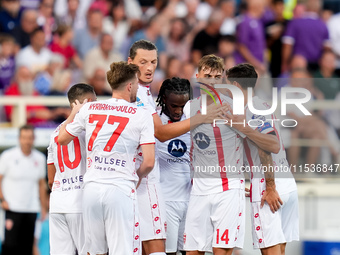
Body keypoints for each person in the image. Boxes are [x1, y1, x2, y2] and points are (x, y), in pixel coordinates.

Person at [127, 40, 225, 255]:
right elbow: (160, 134)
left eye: (153, 62)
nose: (150, 67)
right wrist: (201, 118)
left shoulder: (189, 110)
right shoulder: (143, 99)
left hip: (190, 196)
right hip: (157, 193)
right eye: (143, 62)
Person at [58, 61, 155, 255]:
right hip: (120, 187)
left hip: (92, 189)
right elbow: (149, 162)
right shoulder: (142, 114)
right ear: (129, 86)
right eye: (136, 83)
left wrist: (73, 114)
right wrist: (136, 177)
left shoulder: (90, 109)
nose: (137, 87)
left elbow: (62, 139)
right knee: (122, 250)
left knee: (95, 251)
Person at [225, 63, 299, 255]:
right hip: (287, 181)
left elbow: (269, 146)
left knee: (270, 251)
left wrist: (270, 186)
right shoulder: (263, 104)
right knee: (280, 250)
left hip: (269, 186)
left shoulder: (250, 112)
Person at [183, 54, 245, 255]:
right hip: (199, 190)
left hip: (227, 189)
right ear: (197, 76)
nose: (211, 81)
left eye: (216, 77)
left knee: (222, 251)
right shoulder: (189, 107)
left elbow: (252, 142)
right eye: (207, 76)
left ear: (223, 79)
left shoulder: (235, 106)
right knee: (193, 251)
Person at [47, 83, 96, 255]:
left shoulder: (54, 133)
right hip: (80, 203)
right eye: (94, 102)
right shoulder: (87, 130)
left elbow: (51, 179)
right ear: (88, 101)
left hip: (57, 204)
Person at [156, 77, 192, 255]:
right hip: (165, 200)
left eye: (183, 106)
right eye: (174, 106)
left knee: (189, 251)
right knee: (168, 252)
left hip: (191, 199)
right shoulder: (154, 120)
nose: (178, 111)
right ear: (164, 99)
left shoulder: (196, 119)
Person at [0, 124, 48, 255]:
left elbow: (41, 184)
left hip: (31, 208)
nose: (27, 141)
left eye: (30, 138)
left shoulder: (40, 158)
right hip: (12, 207)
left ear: (34, 139)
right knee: (10, 245)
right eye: (24, 137)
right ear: (19, 138)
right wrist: (2, 199)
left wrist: (43, 207)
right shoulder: (8, 156)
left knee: (28, 246)